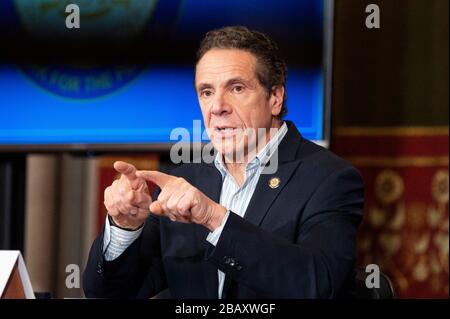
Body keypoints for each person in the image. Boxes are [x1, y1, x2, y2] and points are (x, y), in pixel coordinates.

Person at [83, 26, 364, 299]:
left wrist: (213, 218)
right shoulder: (184, 180)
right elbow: (110, 292)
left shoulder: (329, 179)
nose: (217, 106)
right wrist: (125, 227)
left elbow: (317, 284)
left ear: (275, 98)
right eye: (206, 92)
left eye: (237, 88)